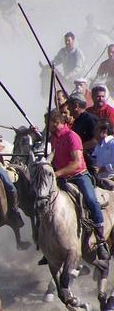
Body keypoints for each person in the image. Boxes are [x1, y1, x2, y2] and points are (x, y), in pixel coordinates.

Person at [49, 111, 109, 260]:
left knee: (90, 200)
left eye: (48, 123)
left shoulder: (72, 136)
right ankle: (46, 242)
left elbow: (76, 163)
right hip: (62, 178)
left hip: (79, 176)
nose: (47, 126)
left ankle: (100, 239)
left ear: (56, 122)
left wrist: (56, 174)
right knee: (44, 200)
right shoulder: (53, 138)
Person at [67, 91, 99, 171]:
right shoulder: (77, 121)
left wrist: (78, 148)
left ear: (76, 106)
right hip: (80, 159)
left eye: (69, 106)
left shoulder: (90, 119)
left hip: (92, 162)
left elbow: (97, 140)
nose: (68, 109)